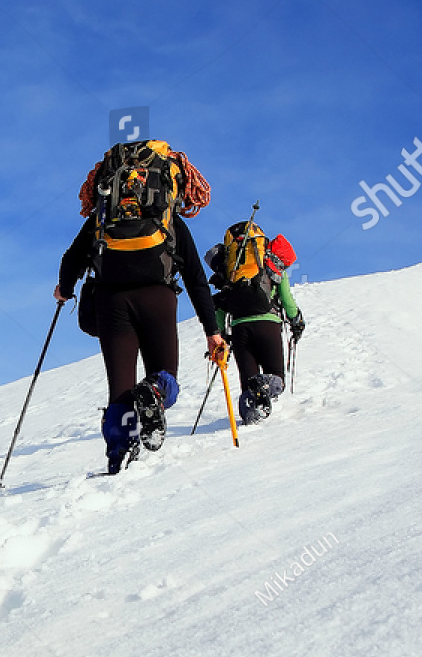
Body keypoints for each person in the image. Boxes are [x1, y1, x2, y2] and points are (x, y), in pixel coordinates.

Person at [54, 143, 225, 474]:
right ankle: (155, 391)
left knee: (119, 387)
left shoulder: (102, 219)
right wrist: (213, 332)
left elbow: (71, 259)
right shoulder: (168, 221)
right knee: (165, 376)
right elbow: (196, 279)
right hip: (157, 298)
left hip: (111, 301)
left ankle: (119, 451)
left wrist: (65, 289)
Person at [205, 225, 304, 424]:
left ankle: (250, 419)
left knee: (248, 385)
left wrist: (220, 335)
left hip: (240, 329)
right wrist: (296, 320)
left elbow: (221, 307)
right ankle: (266, 384)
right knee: (277, 379)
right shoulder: (271, 264)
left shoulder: (230, 269)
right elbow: (286, 298)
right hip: (268, 324)